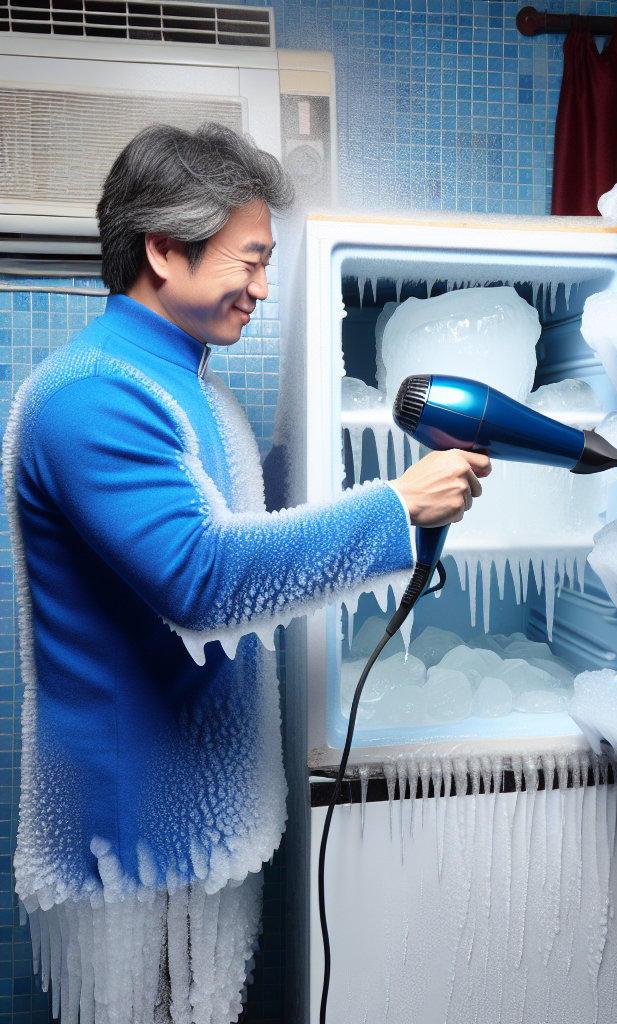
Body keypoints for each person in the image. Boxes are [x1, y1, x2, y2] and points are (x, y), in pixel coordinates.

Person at [3, 122, 490, 1024]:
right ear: (161, 248)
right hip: (134, 834)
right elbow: (205, 578)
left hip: (198, 820)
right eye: (251, 261)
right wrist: (395, 508)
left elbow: (242, 526)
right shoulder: (93, 396)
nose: (264, 288)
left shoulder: (195, 386)